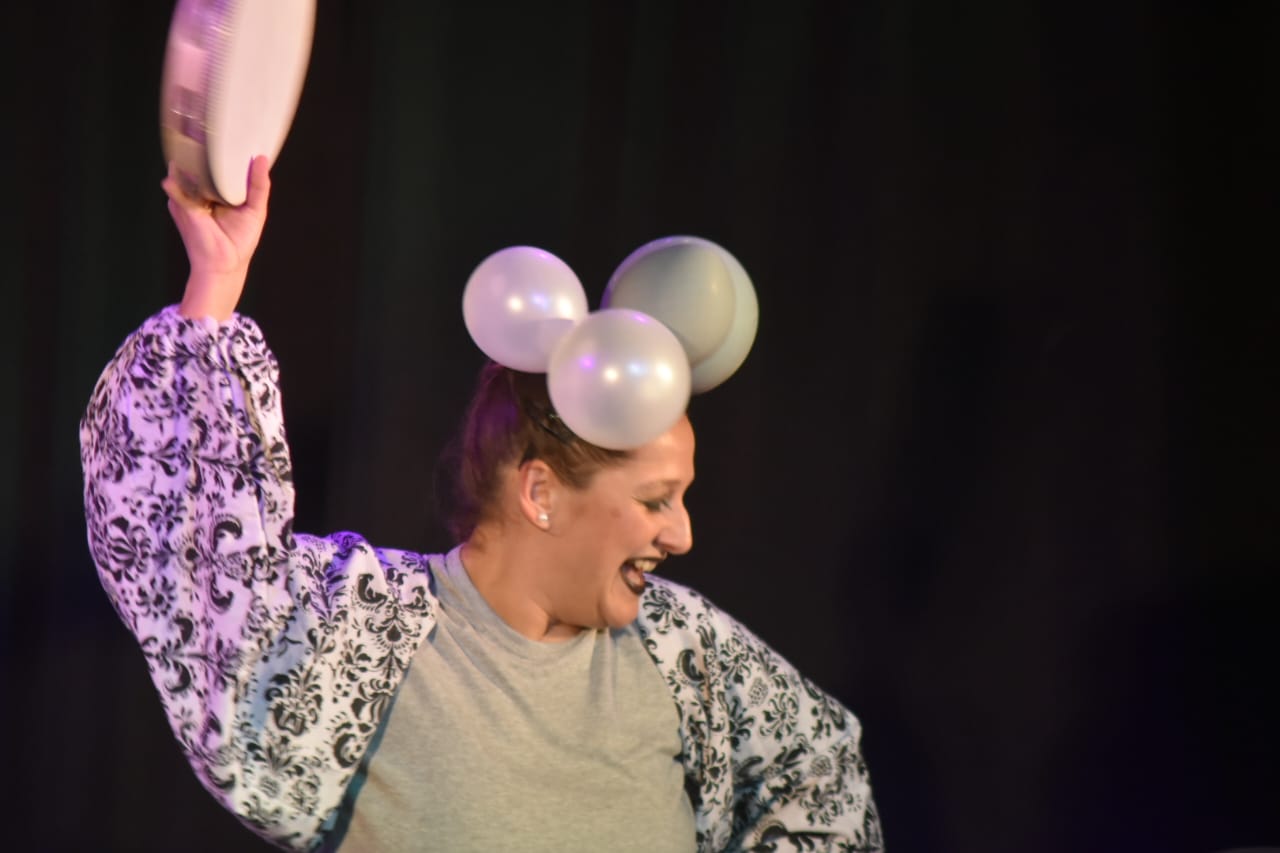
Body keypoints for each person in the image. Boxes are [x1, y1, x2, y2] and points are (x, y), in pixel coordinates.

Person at [80, 157, 885, 852]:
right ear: (541, 492)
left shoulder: (684, 649)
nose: (681, 533)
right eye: (655, 500)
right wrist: (213, 291)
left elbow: (820, 771)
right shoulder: (363, 634)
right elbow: (190, 561)